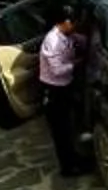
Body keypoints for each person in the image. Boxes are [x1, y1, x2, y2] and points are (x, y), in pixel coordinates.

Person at [37, 9, 91, 177]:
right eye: (71, 22)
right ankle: (68, 167)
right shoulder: (52, 42)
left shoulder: (68, 36)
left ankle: (76, 158)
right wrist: (76, 64)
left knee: (70, 125)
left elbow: (80, 41)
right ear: (63, 22)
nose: (74, 26)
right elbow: (57, 70)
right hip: (54, 90)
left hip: (65, 86)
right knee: (61, 131)